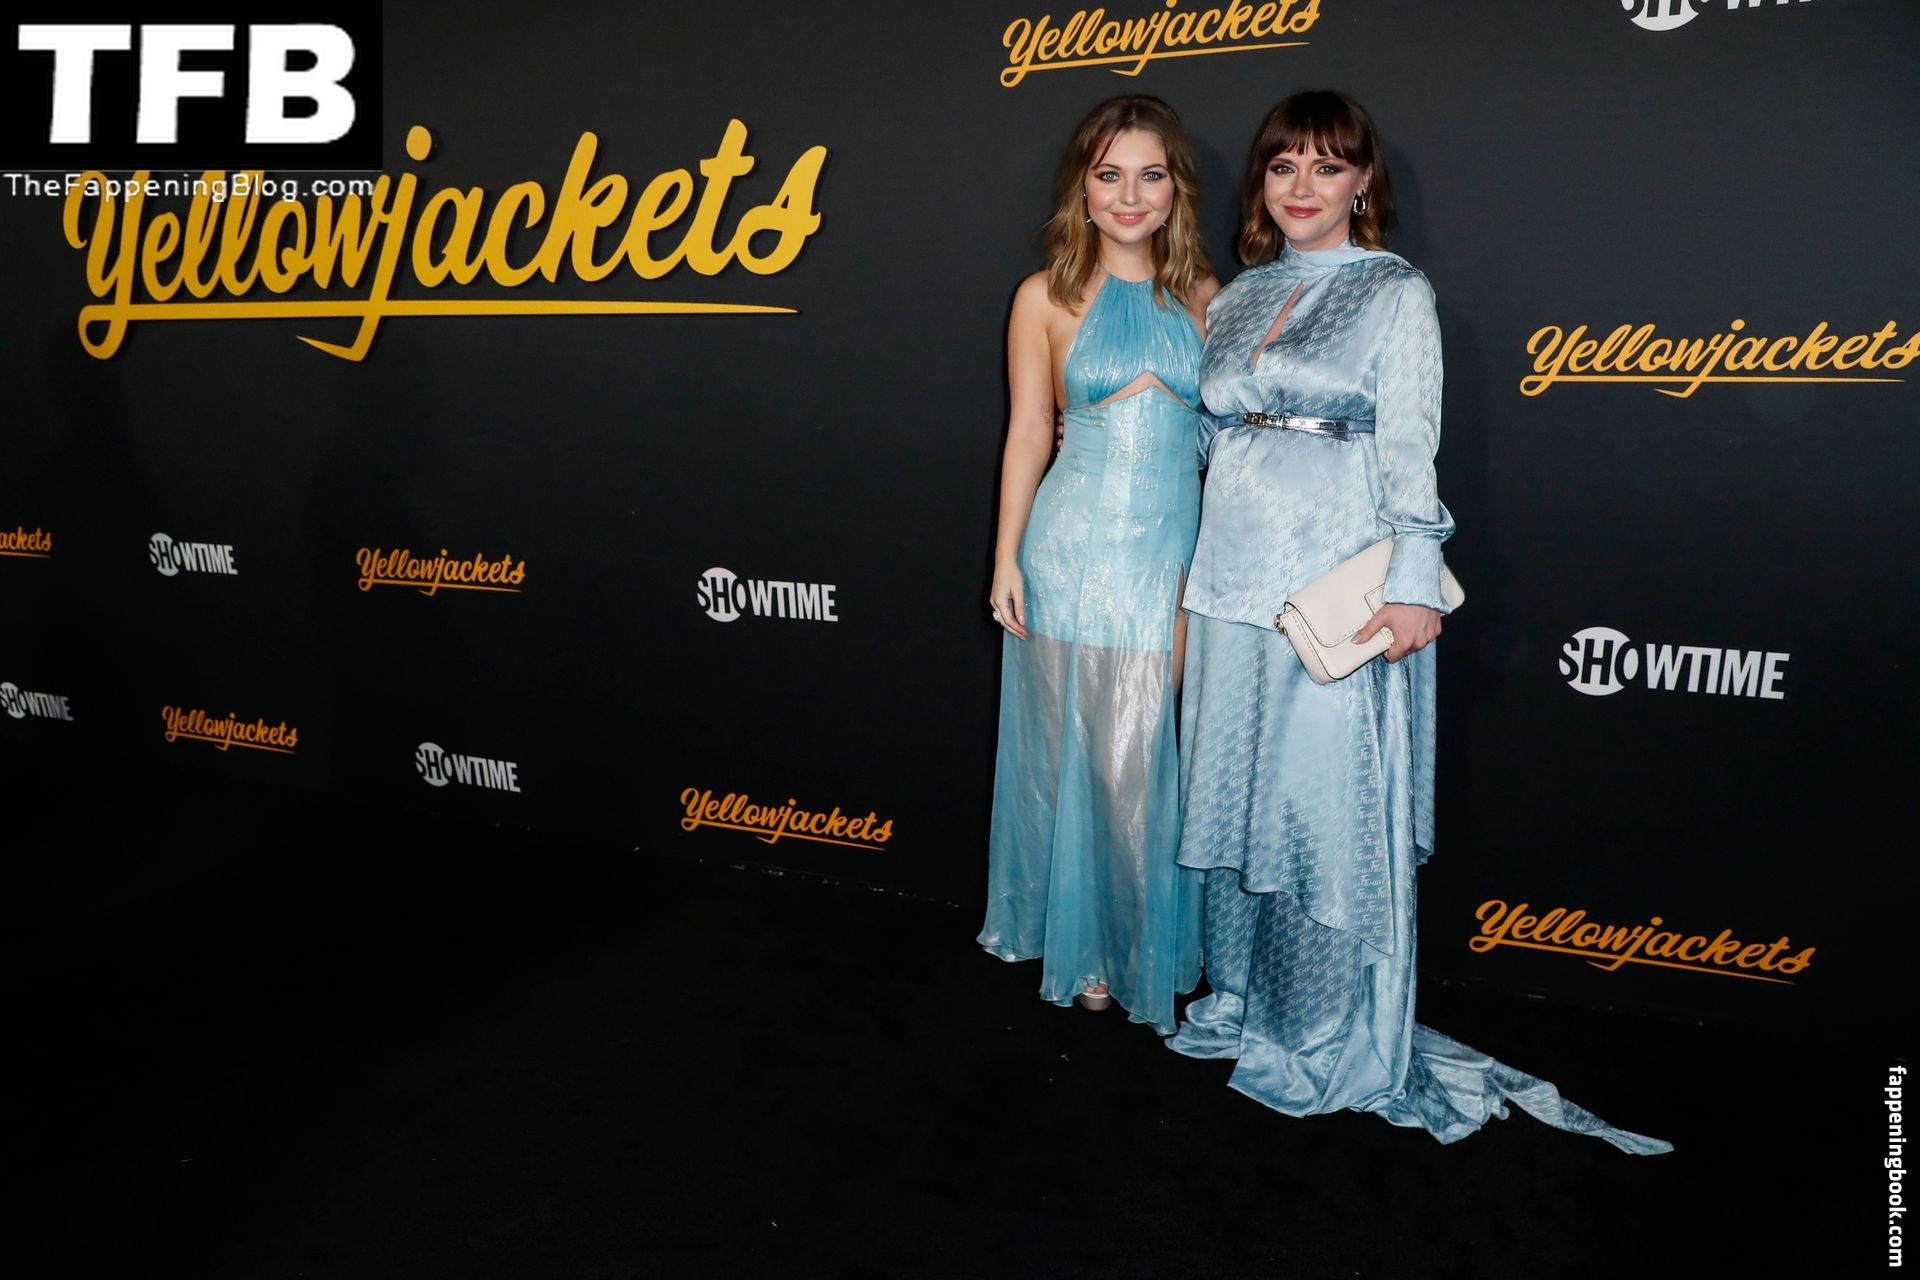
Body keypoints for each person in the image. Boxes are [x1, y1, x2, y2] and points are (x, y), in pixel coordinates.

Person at [1169, 90, 1669, 1152]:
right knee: (1236, 805)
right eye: (1283, 166)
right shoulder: (1237, 295)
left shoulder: (1395, 291)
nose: (1302, 187)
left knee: (1315, 813)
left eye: (1327, 166)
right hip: (1225, 587)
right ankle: (1246, 1001)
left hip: (1333, 584)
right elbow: (1214, 441)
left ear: (1363, 182)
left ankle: (1318, 1029)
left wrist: (1411, 579)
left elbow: (1409, 442)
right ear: (1261, 183)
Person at [977, 95, 1219, 1035]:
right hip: (1069, 552)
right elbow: (1028, 431)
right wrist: (1005, 557)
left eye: (1150, 175)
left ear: (1175, 187)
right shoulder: (1043, 297)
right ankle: (1086, 955)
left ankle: (1139, 946)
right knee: (1070, 756)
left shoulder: (1209, 299)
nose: (1129, 195)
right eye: (1109, 174)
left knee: (1143, 761)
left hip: (1171, 557)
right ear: (1082, 186)